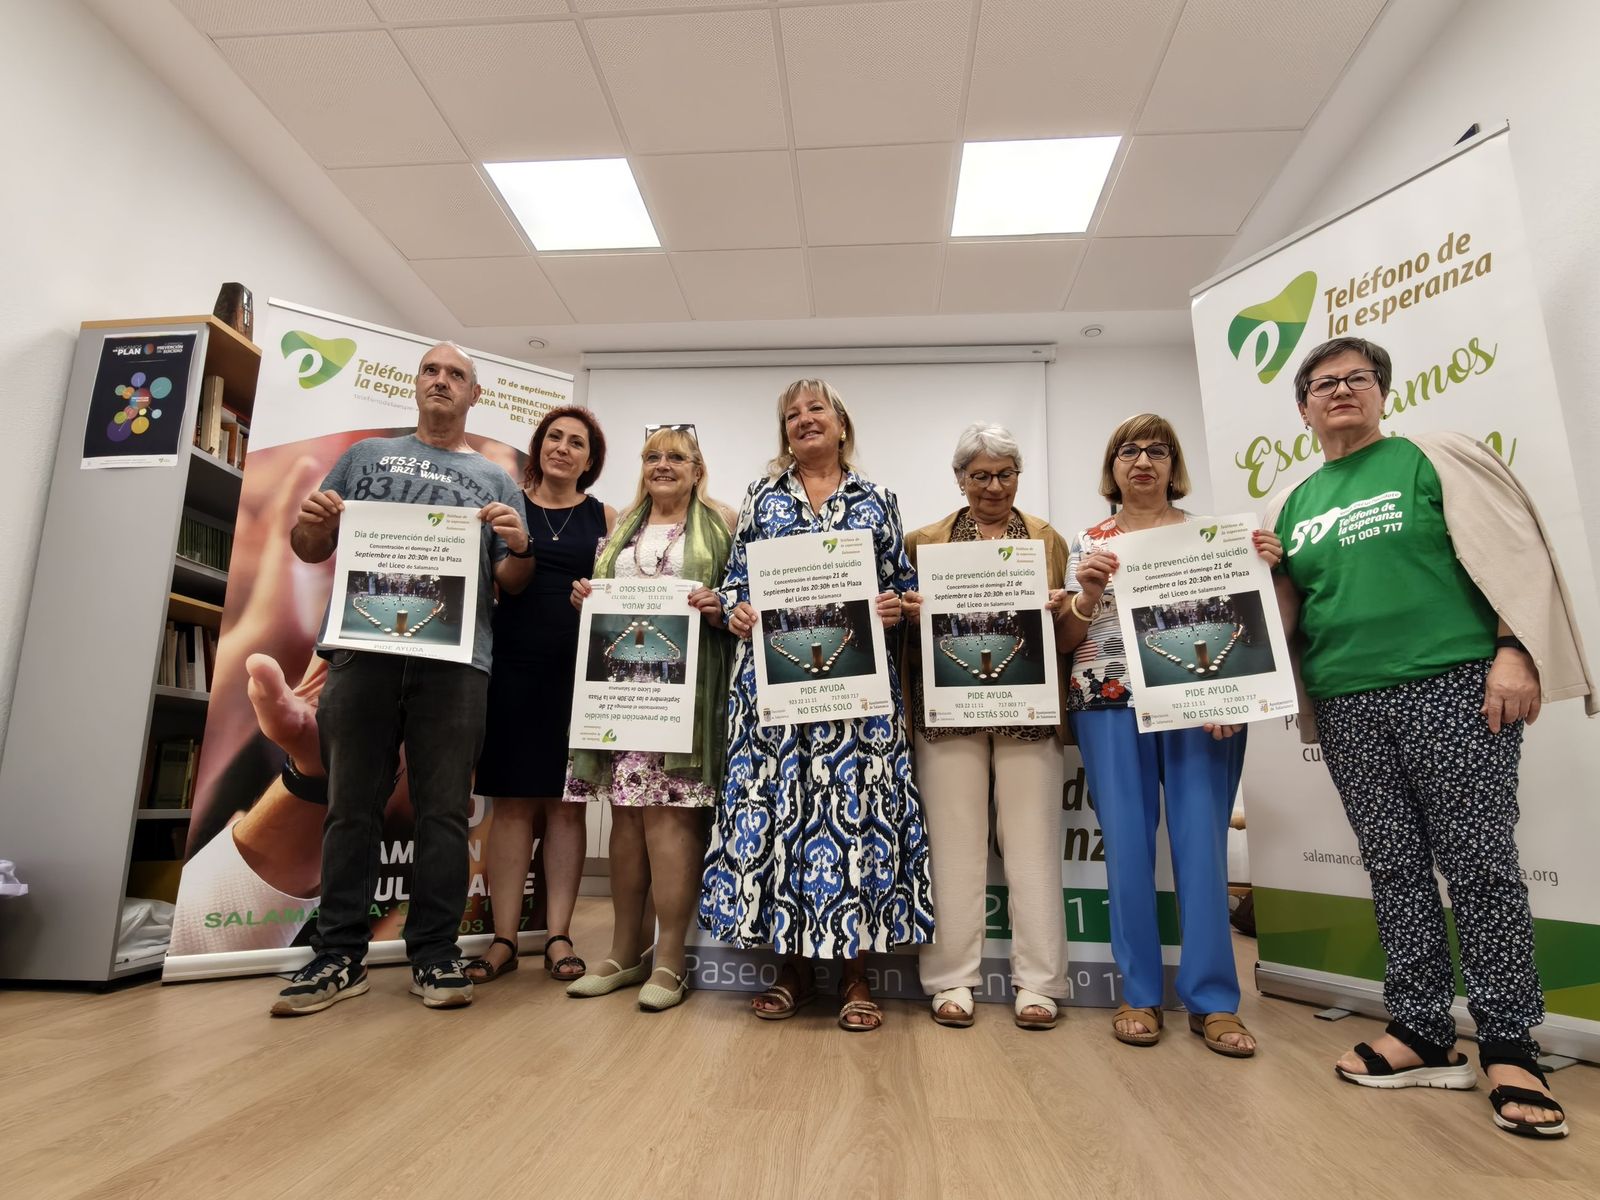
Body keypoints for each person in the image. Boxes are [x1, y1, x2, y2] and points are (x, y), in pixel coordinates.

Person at [1269, 336, 1595, 1138]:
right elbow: (1286, 613)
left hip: (1452, 684)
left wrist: (1515, 649)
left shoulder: (1431, 457)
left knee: (1480, 865)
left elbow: (1513, 553)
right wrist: (1263, 570)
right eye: (1323, 384)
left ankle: (1510, 1044)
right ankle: (1420, 1028)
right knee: (1394, 868)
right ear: (1304, 410)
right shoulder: (1292, 504)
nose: (1341, 391)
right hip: (1347, 700)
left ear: (1382, 392)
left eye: (1357, 378)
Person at [270, 341, 534, 1015]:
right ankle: (337, 955)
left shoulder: (497, 480)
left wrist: (520, 545)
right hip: (362, 654)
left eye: (456, 375)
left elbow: (512, 581)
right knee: (349, 806)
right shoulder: (365, 457)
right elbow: (310, 547)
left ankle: (435, 952)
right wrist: (311, 525)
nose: (441, 381)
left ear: (475, 395)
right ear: (416, 385)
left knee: (443, 811)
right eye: (431, 371)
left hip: (455, 663)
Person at [699, 378, 932, 1031]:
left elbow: (902, 585)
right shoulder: (761, 497)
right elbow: (734, 581)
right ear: (785, 432)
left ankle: (856, 974)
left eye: (816, 409)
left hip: (858, 695)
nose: (804, 420)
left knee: (853, 818)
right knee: (783, 818)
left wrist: (895, 606)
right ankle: (792, 969)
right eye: (792, 414)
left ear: (840, 423)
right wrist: (736, 608)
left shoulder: (878, 499)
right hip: (774, 691)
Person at [1062, 414, 1278, 1057]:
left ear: (1173, 466)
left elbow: (1243, 622)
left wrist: (1266, 569)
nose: (1143, 461)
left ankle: (1213, 1001)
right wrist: (1086, 593)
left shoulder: (1217, 538)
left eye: (1157, 451)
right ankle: (1138, 994)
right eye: (1128, 450)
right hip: (1108, 701)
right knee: (1126, 849)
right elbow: (1068, 638)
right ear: (1113, 467)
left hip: (1200, 705)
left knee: (1201, 847)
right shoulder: (1087, 542)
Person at [904, 423, 1073, 1030]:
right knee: (952, 847)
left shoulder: (1047, 539)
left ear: (1018, 477)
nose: (994, 487)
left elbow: (1065, 632)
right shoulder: (922, 542)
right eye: (980, 475)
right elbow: (897, 632)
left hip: (1028, 713)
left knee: (1033, 848)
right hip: (947, 715)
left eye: (1005, 474)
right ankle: (951, 980)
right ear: (960, 479)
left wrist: (1062, 606)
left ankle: (1040, 984)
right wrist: (911, 614)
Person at [562, 429, 734, 1011]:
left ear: (697, 468)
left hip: (685, 698)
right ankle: (623, 952)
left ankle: (670, 959)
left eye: (676, 457)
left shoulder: (724, 525)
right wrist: (587, 597)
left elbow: (739, 598)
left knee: (670, 820)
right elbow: (605, 602)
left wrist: (719, 605)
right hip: (621, 695)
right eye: (652, 456)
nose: (663, 465)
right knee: (627, 820)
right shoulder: (620, 530)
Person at [469, 406, 614, 985]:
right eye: (554, 437)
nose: (563, 448)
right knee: (510, 804)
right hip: (511, 664)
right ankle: (504, 939)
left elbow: (623, 589)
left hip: (580, 673)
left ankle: (557, 935)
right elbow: (497, 580)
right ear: (539, 446)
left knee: (566, 803)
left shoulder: (605, 516)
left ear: (590, 459)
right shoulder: (509, 505)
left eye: (577, 442)